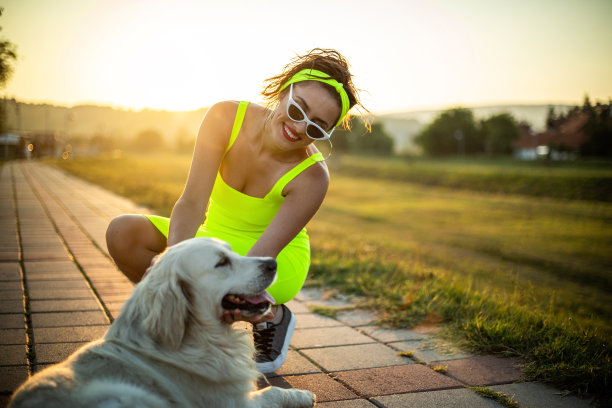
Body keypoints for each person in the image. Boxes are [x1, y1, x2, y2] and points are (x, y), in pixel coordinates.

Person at [105, 48, 365, 373]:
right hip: (214, 240)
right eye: (298, 109)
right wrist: (173, 273)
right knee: (124, 232)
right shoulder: (225, 117)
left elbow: (258, 259)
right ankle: (183, 322)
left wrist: (223, 292)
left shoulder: (313, 176)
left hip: (271, 261)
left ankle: (271, 314)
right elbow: (192, 203)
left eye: (316, 127)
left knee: (228, 286)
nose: (299, 128)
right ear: (284, 90)